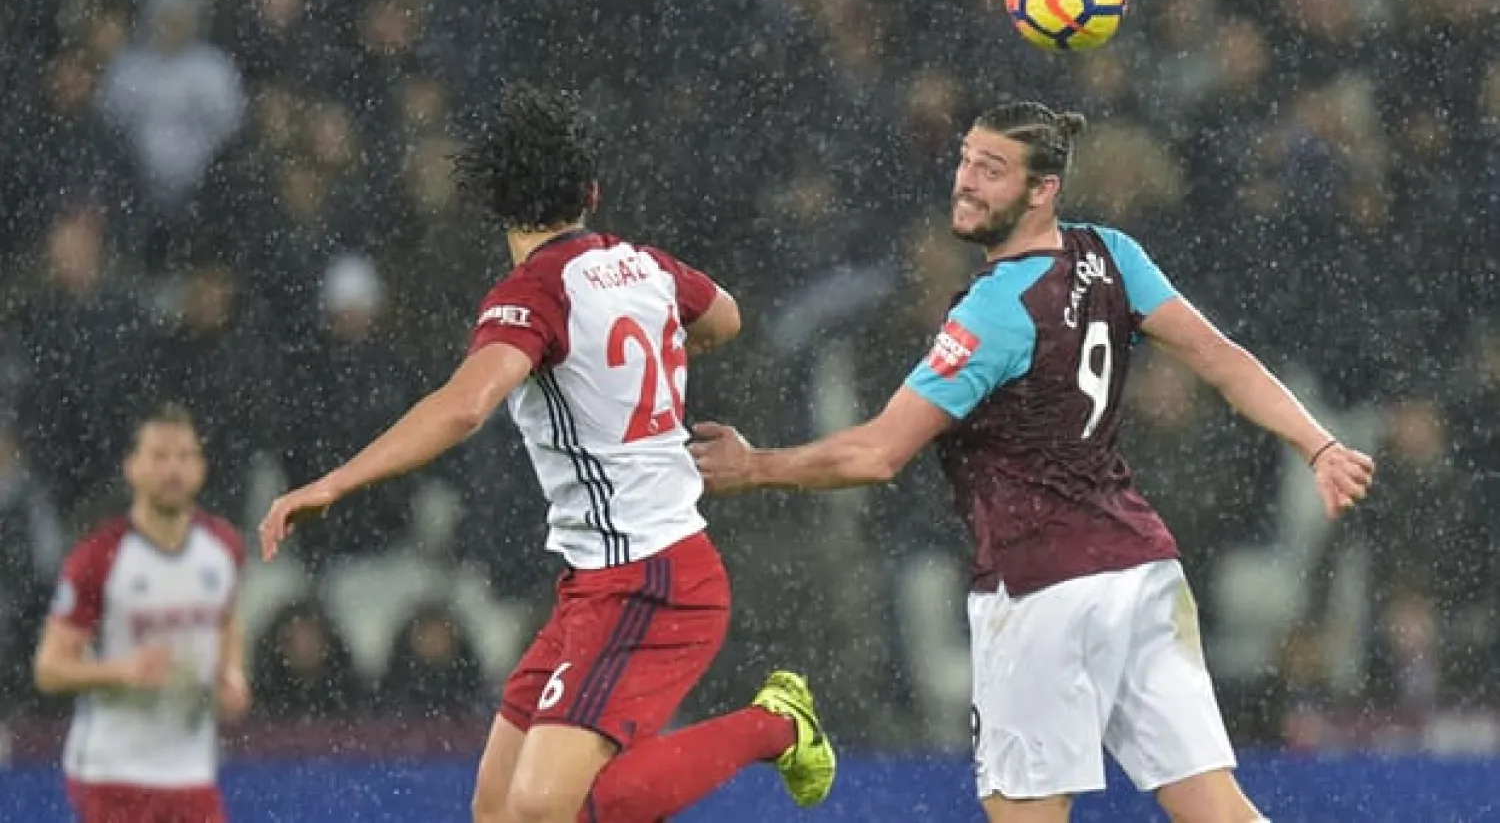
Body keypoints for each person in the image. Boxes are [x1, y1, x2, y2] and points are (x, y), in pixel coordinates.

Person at [691, 100, 1376, 823]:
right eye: (965, 161)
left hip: (1040, 591)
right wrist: (1318, 443)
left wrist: (754, 466)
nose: (966, 181)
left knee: (1026, 813)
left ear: (1043, 189)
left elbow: (879, 453)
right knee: (1217, 811)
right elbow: (1219, 357)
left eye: (992, 170)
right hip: (1141, 572)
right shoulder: (1111, 254)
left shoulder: (991, 313)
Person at [256, 83, 836, 823]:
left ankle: (775, 725)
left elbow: (465, 406)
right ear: (591, 194)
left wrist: (335, 482)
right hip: (599, 581)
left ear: (498, 209)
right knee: (498, 810)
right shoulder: (646, 266)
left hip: (650, 577)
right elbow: (725, 317)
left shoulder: (533, 292)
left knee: (541, 812)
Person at [34, 403, 250, 823]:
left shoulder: (224, 548)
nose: (173, 470)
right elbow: (49, 669)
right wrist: (120, 671)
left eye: (184, 456)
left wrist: (232, 676)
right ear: (132, 467)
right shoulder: (99, 557)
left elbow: (226, 620)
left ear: (202, 467)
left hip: (191, 770)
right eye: (159, 456)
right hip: (114, 770)